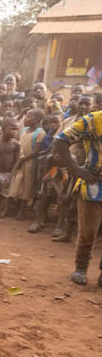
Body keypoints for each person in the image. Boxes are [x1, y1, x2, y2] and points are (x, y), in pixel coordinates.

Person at [53, 110, 102, 286]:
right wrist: (76, 169)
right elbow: (60, 140)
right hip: (94, 185)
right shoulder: (93, 120)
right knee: (88, 232)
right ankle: (81, 268)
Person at [8, 108, 46, 219]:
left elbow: (36, 152)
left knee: (26, 187)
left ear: (38, 119)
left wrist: (23, 159)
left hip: (30, 163)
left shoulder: (40, 133)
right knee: (15, 184)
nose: (26, 118)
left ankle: (21, 211)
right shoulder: (23, 130)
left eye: (29, 116)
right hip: (19, 161)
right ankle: (8, 208)